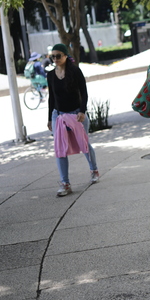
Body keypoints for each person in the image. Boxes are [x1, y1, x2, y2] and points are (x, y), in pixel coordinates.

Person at [47, 43, 99, 197]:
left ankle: (94, 170)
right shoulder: (50, 75)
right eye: (53, 56)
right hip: (59, 115)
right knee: (60, 148)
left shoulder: (75, 71)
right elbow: (51, 98)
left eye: (58, 56)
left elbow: (84, 92)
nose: (55, 59)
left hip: (76, 114)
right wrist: (50, 118)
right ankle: (65, 183)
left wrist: (82, 111)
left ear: (65, 56)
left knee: (84, 144)